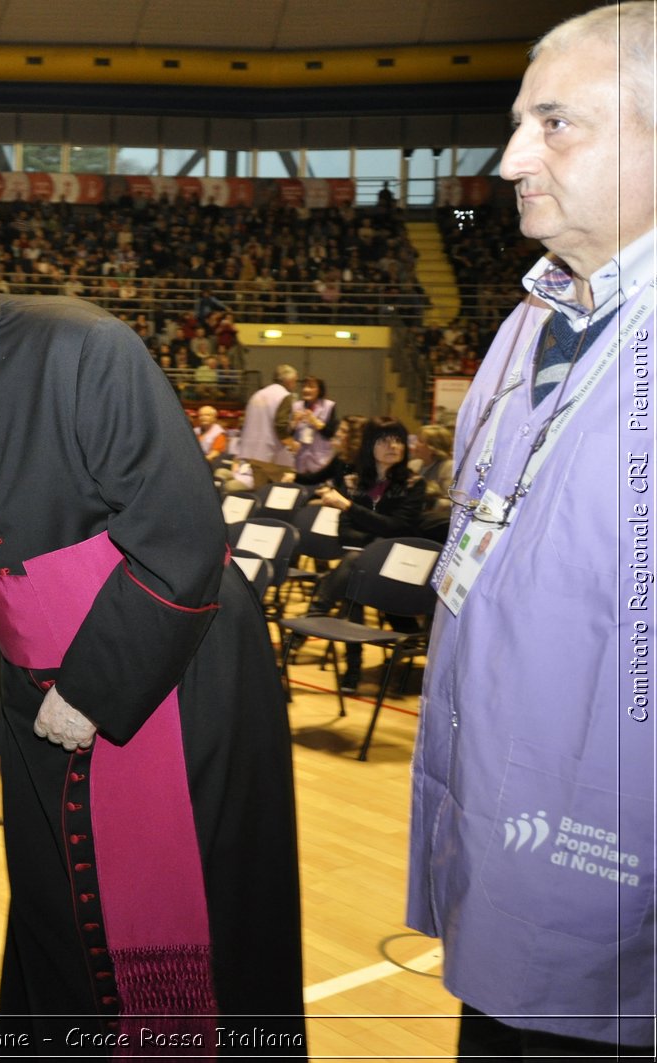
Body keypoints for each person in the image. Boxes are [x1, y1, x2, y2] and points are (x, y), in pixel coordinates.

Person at [0, 200, 304, 1051]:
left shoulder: (86, 348)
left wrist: (93, 688)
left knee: (188, 917)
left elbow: (180, 539)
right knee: (61, 913)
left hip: (169, 674)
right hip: (36, 681)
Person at [409, 4, 656, 1056]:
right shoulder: (525, 324)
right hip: (500, 828)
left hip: (619, 880)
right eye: (517, 122)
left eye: (555, 124)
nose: (511, 157)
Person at [294, 416, 428, 692]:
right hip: (364, 565)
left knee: (354, 565)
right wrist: (375, 535)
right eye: (384, 440)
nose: (393, 446)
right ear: (370, 445)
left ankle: (311, 625)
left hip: (401, 564)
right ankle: (351, 668)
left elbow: (399, 529)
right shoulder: (353, 480)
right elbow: (345, 533)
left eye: (398, 440)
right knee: (355, 577)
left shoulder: (414, 484)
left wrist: (350, 509)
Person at [232, 363, 298, 489]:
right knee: (289, 487)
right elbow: (280, 426)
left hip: (251, 453)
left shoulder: (257, 394)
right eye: (294, 381)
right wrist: (292, 444)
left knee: (260, 491)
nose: (294, 385)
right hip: (269, 453)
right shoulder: (284, 396)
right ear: (288, 381)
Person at [286, 375, 338, 474]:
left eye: (311, 386)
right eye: (304, 386)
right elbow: (288, 433)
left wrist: (315, 421)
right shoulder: (296, 406)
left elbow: (331, 433)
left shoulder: (329, 406)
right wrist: (294, 422)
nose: (306, 389)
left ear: (319, 390)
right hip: (299, 458)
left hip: (320, 458)